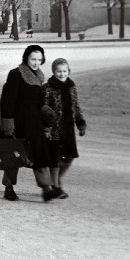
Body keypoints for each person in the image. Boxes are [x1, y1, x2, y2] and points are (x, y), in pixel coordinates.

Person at [0, 44, 54, 202]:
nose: (36, 62)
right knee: (13, 156)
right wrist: (8, 125)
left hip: (34, 123)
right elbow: (7, 101)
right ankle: (9, 188)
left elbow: (38, 101)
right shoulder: (16, 74)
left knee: (40, 154)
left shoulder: (39, 77)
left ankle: (46, 188)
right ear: (26, 58)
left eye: (39, 59)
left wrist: (46, 111)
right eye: (33, 59)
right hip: (18, 122)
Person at [43, 58, 87, 199]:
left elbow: (76, 106)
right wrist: (46, 128)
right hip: (54, 130)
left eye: (64, 71)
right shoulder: (47, 88)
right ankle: (54, 187)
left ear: (69, 71)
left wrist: (80, 123)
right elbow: (42, 110)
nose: (62, 74)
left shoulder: (71, 87)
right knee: (54, 160)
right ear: (53, 72)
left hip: (68, 129)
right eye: (58, 71)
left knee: (69, 157)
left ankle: (56, 181)